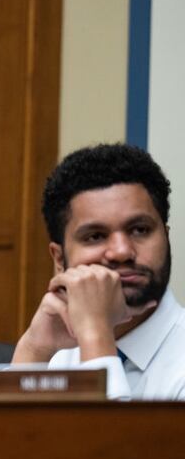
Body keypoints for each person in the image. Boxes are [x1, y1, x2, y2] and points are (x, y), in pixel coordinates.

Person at [12, 143, 185, 400]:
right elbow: (1, 439)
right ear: (59, 259)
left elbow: (111, 441)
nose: (121, 251)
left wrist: (96, 335)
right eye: (95, 236)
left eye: (140, 230)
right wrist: (34, 349)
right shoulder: (57, 354)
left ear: (166, 238)